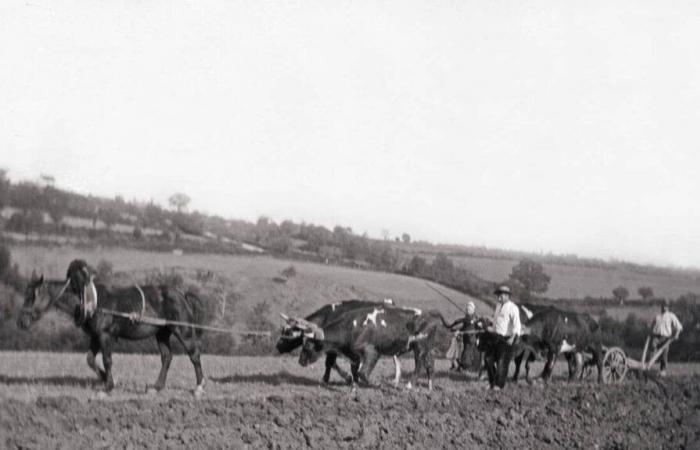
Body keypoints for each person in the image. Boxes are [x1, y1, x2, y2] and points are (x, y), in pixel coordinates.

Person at [481, 285, 521, 390]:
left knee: (502, 362)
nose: (499, 298)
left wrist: (512, 339)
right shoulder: (498, 306)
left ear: (507, 296)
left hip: (506, 339)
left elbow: (517, 326)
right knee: (488, 359)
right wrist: (488, 327)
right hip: (495, 336)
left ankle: (499, 385)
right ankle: (492, 382)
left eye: (501, 295)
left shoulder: (513, 308)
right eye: (498, 295)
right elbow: (495, 323)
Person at [649, 298, 683, 377]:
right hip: (656, 336)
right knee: (652, 350)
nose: (664, 307)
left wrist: (676, 334)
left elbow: (679, 326)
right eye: (663, 306)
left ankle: (663, 371)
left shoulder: (671, 316)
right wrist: (650, 332)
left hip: (666, 338)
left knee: (664, 354)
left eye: (666, 306)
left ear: (668, 307)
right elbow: (652, 326)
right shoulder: (657, 316)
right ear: (661, 306)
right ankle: (649, 367)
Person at [446, 301, 477, 370]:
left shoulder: (472, 318)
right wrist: (458, 330)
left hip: (471, 339)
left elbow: (461, 321)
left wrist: (453, 326)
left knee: (466, 353)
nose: (467, 310)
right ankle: (461, 367)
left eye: (469, 309)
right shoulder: (469, 317)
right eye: (467, 309)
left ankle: (463, 367)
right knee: (464, 352)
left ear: (473, 310)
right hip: (466, 339)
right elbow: (464, 327)